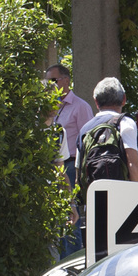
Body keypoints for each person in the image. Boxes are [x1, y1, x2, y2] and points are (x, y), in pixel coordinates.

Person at [76, 76, 138, 190]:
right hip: (122, 193)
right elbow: (133, 163)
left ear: (96, 102)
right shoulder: (124, 122)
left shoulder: (84, 129)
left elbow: (79, 171)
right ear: (123, 99)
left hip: (94, 196)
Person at [44, 62, 93, 191]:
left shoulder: (80, 106)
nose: (50, 85)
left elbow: (87, 139)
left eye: (53, 80)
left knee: (69, 203)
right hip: (51, 164)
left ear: (66, 80)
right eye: (47, 82)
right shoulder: (47, 106)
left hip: (70, 164)